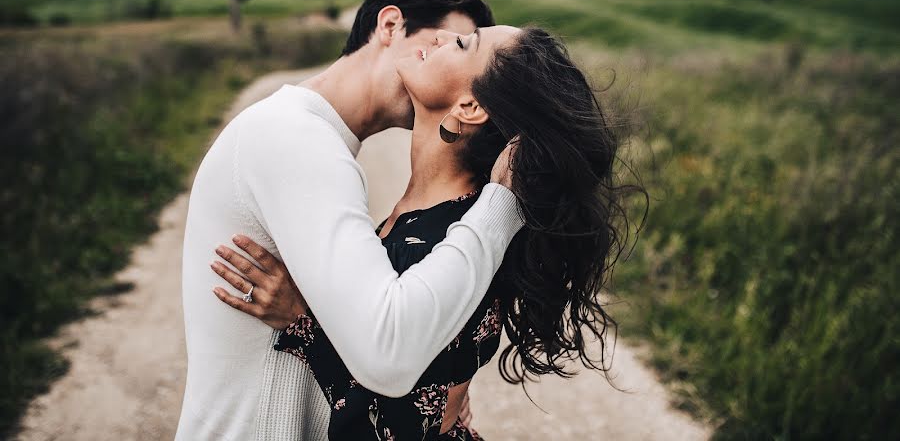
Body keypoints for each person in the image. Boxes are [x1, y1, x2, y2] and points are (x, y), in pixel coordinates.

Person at [212, 25, 644, 438]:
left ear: (470, 108)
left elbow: (395, 424)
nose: (440, 37)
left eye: (462, 44)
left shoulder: (449, 236)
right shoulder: (441, 217)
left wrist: (301, 322)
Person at [176, 0, 527, 440]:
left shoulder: (316, 143)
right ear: (389, 24)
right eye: (442, 36)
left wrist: (437, 374)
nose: (441, 47)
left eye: (460, 46)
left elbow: (387, 338)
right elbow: (387, 348)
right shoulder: (296, 139)